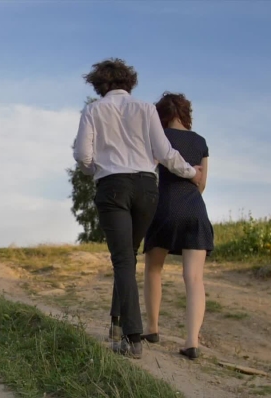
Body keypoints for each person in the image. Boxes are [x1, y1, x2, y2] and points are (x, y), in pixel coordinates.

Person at [73, 59, 204, 359]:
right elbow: (165, 153)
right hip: (147, 189)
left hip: (113, 187)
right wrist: (191, 173)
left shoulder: (93, 110)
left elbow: (82, 154)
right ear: (129, 82)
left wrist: (96, 169)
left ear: (99, 85)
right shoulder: (146, 109)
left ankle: (133, 339)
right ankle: (116, 324)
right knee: (128, 257)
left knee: (122, 260)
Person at [142, 92, 213, 360]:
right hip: (195, 210)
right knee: (194, 278)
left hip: (163, 209)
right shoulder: (201, 142)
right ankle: (192, 341)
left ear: (160, 116)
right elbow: (202, 183)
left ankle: (152, 328)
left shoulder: (157, 138)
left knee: (154, 269)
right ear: (186, 114)